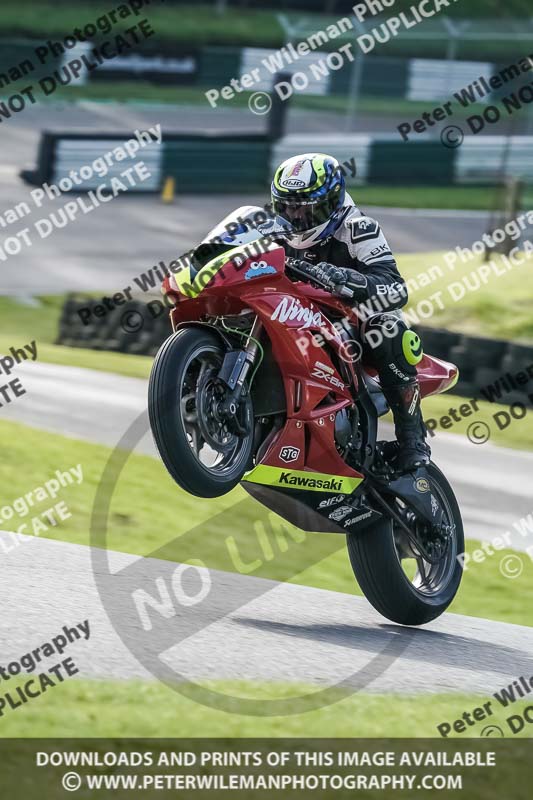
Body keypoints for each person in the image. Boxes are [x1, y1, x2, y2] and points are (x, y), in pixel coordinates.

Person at [269, 152, 430, 472]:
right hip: (294, 319)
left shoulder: (358, 229)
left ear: (331, 202)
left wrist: (350, 280)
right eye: (286, 206)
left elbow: (396, 289)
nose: (294, 216)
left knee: (387, 327)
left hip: (349, 323)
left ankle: (412, 439)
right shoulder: (273, 232)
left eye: (305, 207)